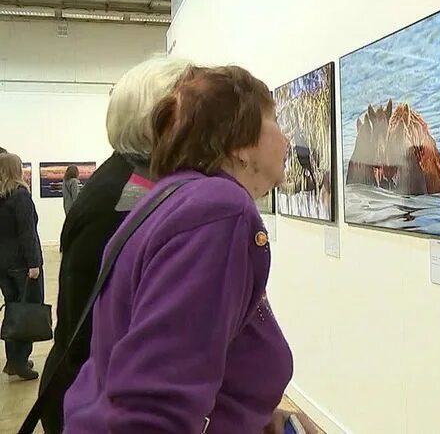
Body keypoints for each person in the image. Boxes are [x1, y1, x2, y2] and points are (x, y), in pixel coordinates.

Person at [63, 65, 315, 433]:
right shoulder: (220, 209)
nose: (286, 138)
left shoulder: (172, 197)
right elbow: (153, 409)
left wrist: (249, 418)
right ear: (241, 145)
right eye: (274, 120)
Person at [37, 55, 193, 433]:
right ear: (162, 118)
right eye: (200, 108)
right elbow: (97, 326)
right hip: (95, 402)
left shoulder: (132, 181)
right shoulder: (125, 196)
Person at [0, 152, 43, 381]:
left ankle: (13, 361)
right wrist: (34, 263)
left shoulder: (2, 196)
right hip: (22, 265)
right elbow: (27, 233)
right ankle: (20, 361)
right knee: (26, 311)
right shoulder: (20, 196)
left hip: (3, 266)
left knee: (12, 309)